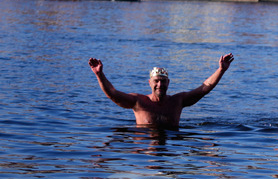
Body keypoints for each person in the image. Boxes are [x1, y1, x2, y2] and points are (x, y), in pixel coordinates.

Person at [88, 54, 234, 129]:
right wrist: (99, 74)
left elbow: (204, 88)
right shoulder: (138, 102)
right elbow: (112, 93)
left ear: (168, 83)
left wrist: (221, 70)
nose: (160, 84)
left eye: (163, 81)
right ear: (150, 83)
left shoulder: (177, 101)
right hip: (145, 151)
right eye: (156, 81)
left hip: (170, 150)